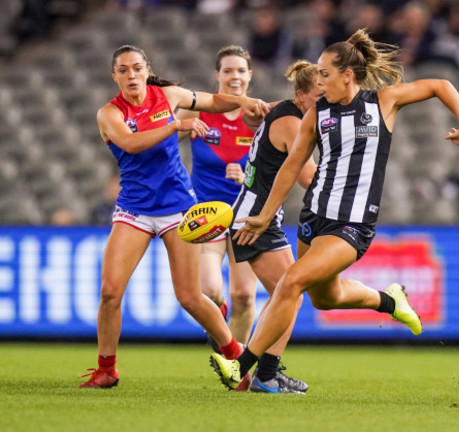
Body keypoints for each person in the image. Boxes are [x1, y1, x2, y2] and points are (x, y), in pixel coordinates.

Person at [210, 28, 459, 390]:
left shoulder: (383, 102)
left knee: (291, 282)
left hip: (351, 225)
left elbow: (440, 84)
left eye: (324, 73)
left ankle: (244, 367)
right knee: (325, 297)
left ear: (347, 75)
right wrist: (264, 214)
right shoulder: (318, 112)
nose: (318, 80)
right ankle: (389, 300)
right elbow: (292, 166)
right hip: (313, 218)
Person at [78, 44, 270, 389]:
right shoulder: (109, 113)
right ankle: (107, 369)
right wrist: (176, 126)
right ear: (114, 77)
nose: (131, 74)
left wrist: (242, 102)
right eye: (123, 70)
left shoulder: (168, 95)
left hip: (178, 207)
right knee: (110, 292)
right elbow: (131, 143)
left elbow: (214, 101)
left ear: (146, 69)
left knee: (190, 296)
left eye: (137, 67)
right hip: (134, 209)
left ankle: (235, 356)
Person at [227, 60, 321, 394]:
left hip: (258, 218)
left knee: (287, 295)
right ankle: (260, 373)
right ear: (300, 96)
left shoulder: (285, 111)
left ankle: (263, 372)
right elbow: (309, 177)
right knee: (290, 294)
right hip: (254, 221)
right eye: (318, 96)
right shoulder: (292, 123)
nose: (324, 103)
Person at [176, 46, 259, 348]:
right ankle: (223, 334)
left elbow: (281, 172)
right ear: (217, 75)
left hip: (247, 214)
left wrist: (248, 176)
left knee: (244, 295)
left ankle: (236, 366)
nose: (234, 76)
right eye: (228, 71)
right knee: (209, 290)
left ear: (250, 76)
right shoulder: (199, 109)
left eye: (240, 71)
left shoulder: (260, 117)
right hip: (206, 213)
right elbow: (162, 148)